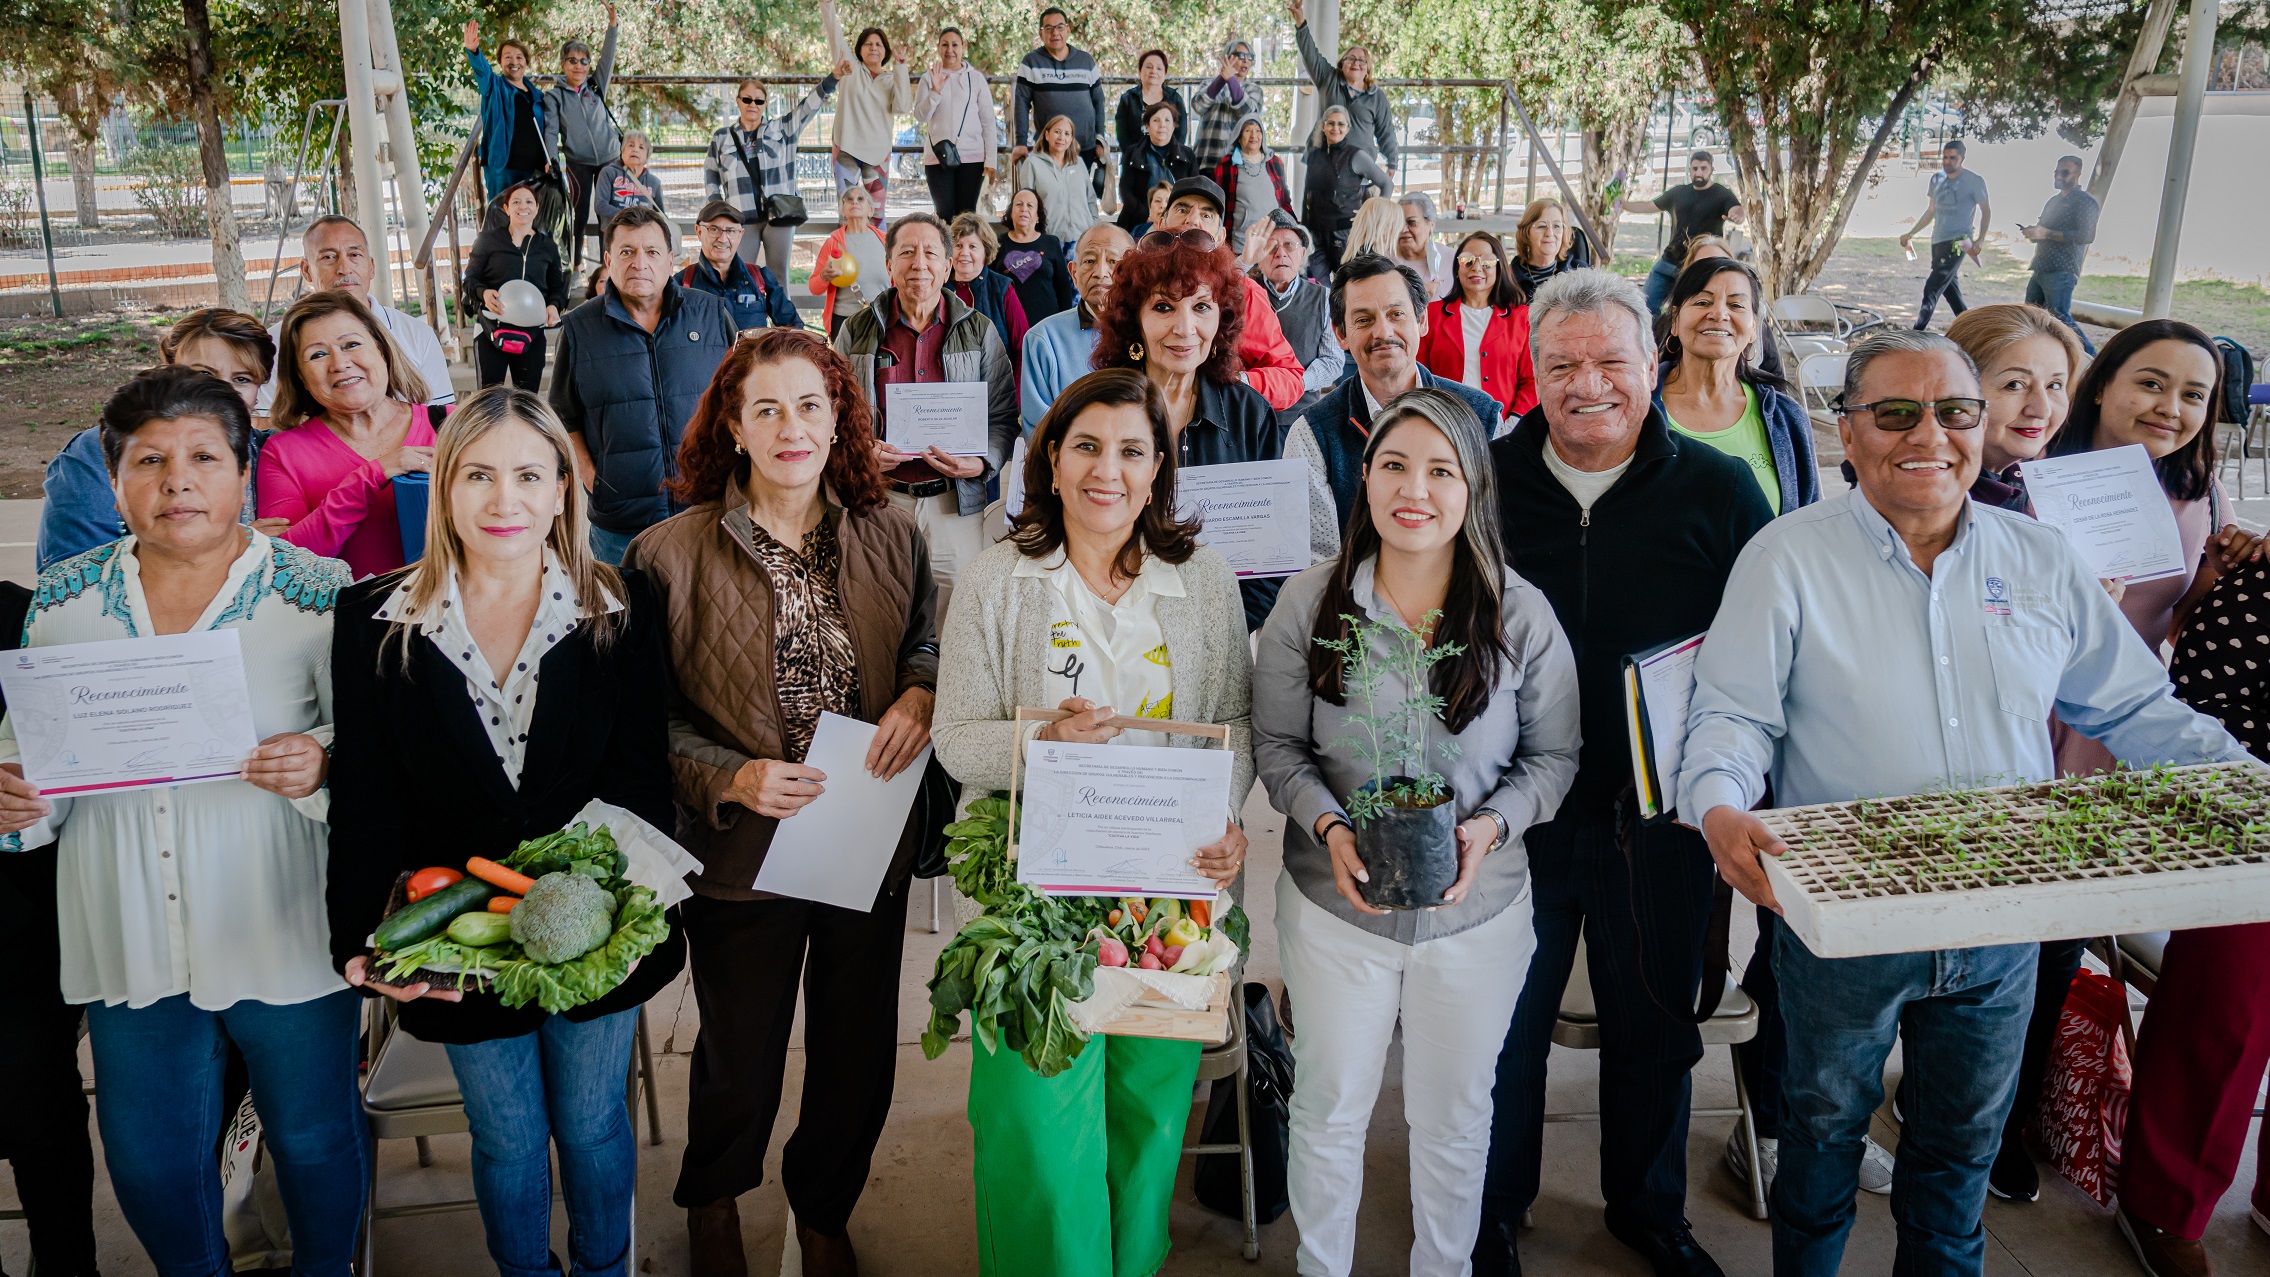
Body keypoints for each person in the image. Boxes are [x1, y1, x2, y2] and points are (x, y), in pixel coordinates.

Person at [1679, 327, 2253, 1277]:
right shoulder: (1787, 557)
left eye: (1953, 411)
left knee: (1957, 1161)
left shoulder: (2042, 558)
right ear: (1848, 431)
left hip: (2002, 922)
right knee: (1819, 1140)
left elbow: (2134, 708)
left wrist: (2247, 783)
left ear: (1981, 425)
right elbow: (1735, 716)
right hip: (1844, 924)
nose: (1928, 435)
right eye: (1895, 412)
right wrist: (1720, 804)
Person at [0, 366, 363, 1275]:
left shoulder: (315, 591)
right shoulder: (64, 600)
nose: (178, 481)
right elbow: (31, 755)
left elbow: (376, 745)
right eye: (149, 460)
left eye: (204, 456)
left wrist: (321, 757)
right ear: (114, 479)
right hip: (130, 926)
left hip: (280, 917)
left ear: (244, 471)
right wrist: (17, 797)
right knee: (150, 1158)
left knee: (315, 1137)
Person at [327, 385, 684, 1277]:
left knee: (593, 1123)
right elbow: (367, 796)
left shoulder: (621, 605)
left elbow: (641, 777)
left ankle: (603, 1267)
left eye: (529, 475)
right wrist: (360, 935)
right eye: (479, 475)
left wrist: (621, 914)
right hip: (460, 934)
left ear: (563, 489)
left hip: (593, 921)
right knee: (508, 1134)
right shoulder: (374, 622)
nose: (504, 499)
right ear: (444, 487)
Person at [623, 328, 940, 1277]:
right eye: (766, 408)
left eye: (809, 405)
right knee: (740, 1052)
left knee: (856, 1053)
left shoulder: (891, 533)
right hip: (742, 851)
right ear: (734, 424)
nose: (790, 427)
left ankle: (824, 1209)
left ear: (838, 416)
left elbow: (925, 641)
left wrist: (920, 692)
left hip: (865, 834)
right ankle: (715, 1198)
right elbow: (645, 722)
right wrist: (732, 776)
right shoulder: (666, 554)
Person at [1477, 268, 1773, 1277]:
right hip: (1515, 811)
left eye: (1611, 360)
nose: (1587, 383)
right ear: (1532, 371)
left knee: (1655, 1025)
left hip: (1658, 818)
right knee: (1505, 1026)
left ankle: (1648, 1211)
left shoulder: (1718, 489)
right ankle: (1492, 1210)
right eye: (1562, 364)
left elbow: (1760, 654)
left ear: (1653, 362)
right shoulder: (1482, 479)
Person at [931, 367, 1253, 1277]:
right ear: (1051, 461)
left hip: (1165, 897)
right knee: (1037, 1125)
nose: (1107, 470)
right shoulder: (998, 580)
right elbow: (954, 736)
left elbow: (1234, 727)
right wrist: (1040, 744)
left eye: (1131, 451)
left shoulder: (1205, 582)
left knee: (1147, 1127)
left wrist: (1226, 818)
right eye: (1086, 447)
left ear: (1158, 472)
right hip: (1030, 897)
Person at [1255, 388, 1578, 1276]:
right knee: (1330, 1105)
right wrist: (1328, 824)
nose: (1415, 490)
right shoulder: (1310, 602)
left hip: (1478, 916)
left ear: (1474, 487)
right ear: (1365, 477)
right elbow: (1277, 746)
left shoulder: (1519, 613)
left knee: (1454, 1116)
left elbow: (1555, 757)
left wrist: (1492, 826)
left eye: (1442, 471)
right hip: (1335, 908)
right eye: (1394, 465)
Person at [1928, 302, 2091, 1210]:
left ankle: (1984, 1129)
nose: (2039, 405)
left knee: (2023, 962)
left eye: (2056, 385)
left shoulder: (2052, 498)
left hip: (2045, 771)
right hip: (1931, 784)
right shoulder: (1920, 497)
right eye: (2015, 382)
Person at [2119, 564, 2270, 1277]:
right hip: (2250, 827)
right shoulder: (2256, 591)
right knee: (2227, 1013)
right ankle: (2162, 1200)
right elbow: (2199, 714)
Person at [2042, 317, 2255, 780]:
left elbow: (2183, 632)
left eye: (2193, 395)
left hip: (2130, 726)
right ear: (2100, 386)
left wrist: (2228, 581)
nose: (2170, 408)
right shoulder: (2025, 479)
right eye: (2151, 384)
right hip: (2025, 712)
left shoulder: (2202, 495)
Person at [1093, 226, 1336, 628]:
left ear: (1221, 318)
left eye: (1202, 307)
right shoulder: (1097, 409)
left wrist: (1226, 629)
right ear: (1134, 319)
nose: (1185, 328)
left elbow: (1272, 561)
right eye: (1164, 307)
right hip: (1117, 620)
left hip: (1227, 621)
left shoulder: (1249, 414)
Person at [835, 212, 1018, 614]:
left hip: (954, 505)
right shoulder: (855, 331)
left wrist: (982, 461)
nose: (919, 263)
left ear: (947, 266)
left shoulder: (979, 330)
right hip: (880, 500)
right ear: (889, 265)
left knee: (957, 615)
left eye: (931, 253)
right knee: (880, 611)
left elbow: (1003, 415)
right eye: (907, 252)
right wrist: (859, 451)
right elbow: (833, 414)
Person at [551, 206, 738, 565]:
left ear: (670, 260)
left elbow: (744, 398)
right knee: (624, 604)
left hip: (707, 510)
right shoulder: (579, 329)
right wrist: (594, 480)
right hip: (621, 524)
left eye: (652, 252)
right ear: (609, 261)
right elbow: (563, 418)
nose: (640, 263)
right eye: (627, 252)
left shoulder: (711, 315)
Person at [0, 555, 91, 1277]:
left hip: (16, 924)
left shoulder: (31, 617)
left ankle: (68, 1266)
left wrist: (28, 790)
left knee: (37, 1104)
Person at [40, 306, 283, 568]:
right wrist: (232, 550)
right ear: (169, 369)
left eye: (242, 379)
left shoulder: (276, 452)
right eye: (203, 374)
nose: (222, 390)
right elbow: (72, 574)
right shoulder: (94, 451)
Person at [1287, 253, 1502, 529]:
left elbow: (1496, 527)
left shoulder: (1481, 417)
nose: (1383, 332)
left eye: (1396, 314)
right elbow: (1319, 551)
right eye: (1364, 320)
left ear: (1421, 321)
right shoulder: (1312, 434)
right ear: (1341, 335)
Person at [259, 289, 440, 577]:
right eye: (318, 354)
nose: (339, 364)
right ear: (301, 377)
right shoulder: (282, 453)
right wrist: (370, 477)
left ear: (381, 350)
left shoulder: (451, 424)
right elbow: (286, 567)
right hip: (350, 607)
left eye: (351, 344)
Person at [1653, 257, 1817, 514]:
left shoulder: (1785, 419)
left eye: (1736, 305)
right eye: (1702, 302)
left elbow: (1809, 521)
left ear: (1753, 328)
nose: (1718, 314)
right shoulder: (1637, 409)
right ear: (1675, 320)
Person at [254, 214, 456, 415]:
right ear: (306, 270)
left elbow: (442, 420)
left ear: (371, 266)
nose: (344, 268)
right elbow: (272, 423)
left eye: (354, 255)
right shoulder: (275, 344)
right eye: (328, 257)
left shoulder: (418, 335)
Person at [1152, 175, 1308, 412]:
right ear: (1161, 223)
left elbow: (1290, 378)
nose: (1193, 220)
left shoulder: (1244, 294)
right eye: (1182, 209)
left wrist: (1235, 383)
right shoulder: (1138, 285)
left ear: (1220, 236)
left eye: (1206, 215)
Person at [705, 69, 844, 282]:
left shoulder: (782, 129)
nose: (752, 105)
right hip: (741, 218)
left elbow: (808, 107)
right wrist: (718, 211)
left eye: (759, 101)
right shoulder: (722, 137)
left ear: (765, 104)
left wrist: (833, 78)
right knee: (739, 276)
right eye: (747, 99)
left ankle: (780, 307)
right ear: (738, 101)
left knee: (778, 276)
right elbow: (711, 175)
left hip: (780, 216)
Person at [1948, 301, 2084, 515]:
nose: (2042, 410)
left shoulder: (2050, 483)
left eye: (2054, 385)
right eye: (2014, 385)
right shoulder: (1936, 503)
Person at [1021, 221, 1133, 432]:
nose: (1100, 272)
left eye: (1113, 261)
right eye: (1089, 261)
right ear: (1074, 273)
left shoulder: (1149, 332)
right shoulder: (1043, 339)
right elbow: (1037, 428)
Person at [1416, 230, 1537, 421]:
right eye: (1468, 260)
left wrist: (1513, 423)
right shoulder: (1431, 315)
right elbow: (1418, 374)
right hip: (1445, 423)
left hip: (1504, 425)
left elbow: (1531, 380)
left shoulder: (1522, 318)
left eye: (1487, 262)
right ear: (1457, 268)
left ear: (1499, 268)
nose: (1477, 267)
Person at [462, 182, 568, 391]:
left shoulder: (548, 247)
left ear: (537, 208)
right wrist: (484, 294)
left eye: (529, 202)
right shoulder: (488, 240)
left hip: (532, 332)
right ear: (506, 208)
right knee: (490, 399)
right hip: (492, 327)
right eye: (516, 202)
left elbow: (557, 288)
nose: (523, 206)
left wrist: (553, 305)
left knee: (527, 398)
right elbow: (470, 279)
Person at [542, 5, 620, 272]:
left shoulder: (597, 85)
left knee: (607, 214)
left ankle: (609, 268)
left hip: (609, 159)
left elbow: (608, 56)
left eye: (584, 61)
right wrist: (552, 159)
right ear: (563, 64)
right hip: (579, 163)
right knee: (578, 214)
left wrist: (613, 25)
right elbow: (550, 131)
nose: (578, 65)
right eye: (572, 60)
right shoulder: (554, 97)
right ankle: (575, 267)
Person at [1620, 150, 1745, 318]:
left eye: (1703, 168)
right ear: (1690, 170)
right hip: (1668, 263)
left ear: (1711, 169)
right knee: (1645, 308)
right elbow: (1649, 206)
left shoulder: (1721, 194)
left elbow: (1736, 209)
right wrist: (1624, 205)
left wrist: (1737, 216)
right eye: (1695, 168)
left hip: (1697, 268)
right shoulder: (1678, 193)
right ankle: (1653, 335)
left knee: (1685, 314)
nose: (1698, 173)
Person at [1245, 210, 1344, 420]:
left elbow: (1333, 361)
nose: (1280, 253)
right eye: (1271, 247)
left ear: (1302, 254)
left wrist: (1294, 384)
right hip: (1251, 414)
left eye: (1289, 245)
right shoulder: (1244, 293)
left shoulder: (1323, 297)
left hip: (1302, 416)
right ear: (1258, 258)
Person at [822, 5, 912, 220]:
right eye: (868, 44)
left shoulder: (891, 80)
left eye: (878, 44)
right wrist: (826, 4)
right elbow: (834, 33)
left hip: (877, 155)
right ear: (859, 50)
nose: (873, 48)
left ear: (886, 51)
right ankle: (846, 245)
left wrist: (901, 68)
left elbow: (903, 107)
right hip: (846, 150)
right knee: (847, 214)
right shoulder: (849, 69)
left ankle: (877, 245)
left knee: (877, 215)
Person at [1288, 0, 1397, 164]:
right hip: (1324, 161)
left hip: (1359, 167)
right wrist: (1300, 22)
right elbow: (1310, 53)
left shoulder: (1377, 97)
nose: (1355, 63)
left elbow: (1386, 131)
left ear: (1368, 69)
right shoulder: (1328, 78)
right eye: (1350, 59)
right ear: (1342, 64)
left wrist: (1392, 161)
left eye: (1361, 60)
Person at [1899, 139, 1991, 330]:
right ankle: (1972, 330)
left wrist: (1980, 239)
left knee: (1932, 287)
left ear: (1962, 158)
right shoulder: (1936, 179)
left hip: (1959, 241)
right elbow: (1931, 211)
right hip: (1938, 240)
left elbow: (1986, 211)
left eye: (1952, 158)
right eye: (1945, 157)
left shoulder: (1974, 181)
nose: (1947, 161)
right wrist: (1911, 233)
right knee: (1950, 290)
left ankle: (1917, 332)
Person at [1010, 9, 1107, 182]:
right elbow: (1021, 104)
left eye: (1060, 27)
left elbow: (1098, 101)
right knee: (1050, 194)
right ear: (1041, 33)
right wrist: (1020, 142)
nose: (1055, 33)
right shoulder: (1031, 62)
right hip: (1048, 149)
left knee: (1079, 195)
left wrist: (1100, 139)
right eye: (1049, 28)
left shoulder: (1086, 61)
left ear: (1068, 30)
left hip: (1084, 147)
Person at [463, 20, 556, 201]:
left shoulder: (537, 96)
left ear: (526, 62)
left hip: (533, 171)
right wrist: (473, 51)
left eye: (519, 57)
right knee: (501, 213)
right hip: (502, 170)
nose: (514, 62)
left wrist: (548, 160)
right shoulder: (494, 87)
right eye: (508, 57)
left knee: (530, 214)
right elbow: (483, 72)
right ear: (500, 61)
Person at [2019, 154, 2100, 354]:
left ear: (2078, 174)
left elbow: (2086, 235)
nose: (2059, 176)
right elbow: (2043, 230)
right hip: (2041, 265)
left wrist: (2046, 233)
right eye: (2057, 172)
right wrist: (2034, 233)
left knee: (2059, 316)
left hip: (2063, 268)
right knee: (2031, 315)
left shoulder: (2085, 202)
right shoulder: (2053, 201)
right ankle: (2038, 354)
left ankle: (2094, 358)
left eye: (2065, 172)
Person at [681, 199, 802, 332]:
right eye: (714, 229)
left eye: (731, 231)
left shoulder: (760, 278)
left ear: (740, 235)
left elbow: (794, 329)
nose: (722, 239)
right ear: (698, 231)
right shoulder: (682, 283)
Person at [915, 26, 997, 219]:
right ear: (938, 48)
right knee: (944, 213)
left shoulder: (976, 79)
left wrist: (991, 160)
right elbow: (920, 115)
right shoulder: (928, 78)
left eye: (955, 45)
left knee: (966, 215)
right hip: (938, 156)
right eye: (945, 45)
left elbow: (988, 121)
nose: (950, 50)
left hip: (972, 157)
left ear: (963, 47)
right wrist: (935, 92)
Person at [1302, 107, 1391, 277]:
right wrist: (1304, 229)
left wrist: (1373, 214)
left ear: (1348, 128)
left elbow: (1386, 184)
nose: (1335, 128)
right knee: (1318, 284)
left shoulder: (1356, 156)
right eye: (1331, 123)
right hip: (1316, 233)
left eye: (1341, 124)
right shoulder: (1313, 155)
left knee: (1348, 282)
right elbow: (1307, 195)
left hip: (1344, 234)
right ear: (1323, 126)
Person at [948, 212, 1030, 369]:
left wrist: (1014, 385)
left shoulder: (1002, 288)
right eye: (958, 245)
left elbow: (1022, 348)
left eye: (972, 246)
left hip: (996, 380)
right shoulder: (938, 288)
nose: (964, 252)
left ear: (985, 252)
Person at [809, 185, 887, 337]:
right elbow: (814, 288)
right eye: (849, 199)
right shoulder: (832, 243)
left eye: (860, 199)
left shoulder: (886, 240)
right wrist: (824, 277)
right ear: (843, 211)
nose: (854, 202)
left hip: (883, 317)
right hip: (844, 322)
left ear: (870, 210)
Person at [995, 187, 1077, 325]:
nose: (1024, 209)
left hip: (1048, 324)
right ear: (1011, 212)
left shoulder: (1051, 242)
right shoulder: (997, 243)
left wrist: (1066, 323)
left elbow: (1063, 288)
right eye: (1019, 204)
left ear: (1038, 215)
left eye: (1030, 205)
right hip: (1009, 324)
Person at [1017, 114, 1103, 244]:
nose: (1062, 138)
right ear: (1047, 135)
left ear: (1071, 138)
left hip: (1081, 238)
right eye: (1057, 132)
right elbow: (1025, 204)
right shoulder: (1032, 164)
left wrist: (1094, 226)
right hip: (1049, 239)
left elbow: (1090, 199)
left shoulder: (1079, 163)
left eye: (1067, 134)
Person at [1212, 117, 1293, 254]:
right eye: (1248, 130)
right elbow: (1217, 207)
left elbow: (1285, 199)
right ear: (1238, 137)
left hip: (1273, 242)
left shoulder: (1274, 163)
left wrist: (1292, 227)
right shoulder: (1226, 166)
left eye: (1258, 131)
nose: (1254, 136)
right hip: (1241, 244)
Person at [1118, 101, 1197, 231]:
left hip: (1178, 223)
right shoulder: (1133, 153)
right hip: (1140, 221)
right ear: (1147, 126)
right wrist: (1147, 215)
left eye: (1167, 120)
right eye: (1156, 120)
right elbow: (1125, 191)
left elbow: (1193, 192)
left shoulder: (1187, 155)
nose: (1162, 125)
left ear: (1174, 126)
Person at [1191, 39, 1261, 167]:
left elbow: (1248, 115)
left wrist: (1231, 80)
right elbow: (1198, 106)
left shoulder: (1254, 90)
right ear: (1227, 58)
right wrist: (1221, 79)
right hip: (1206, 159)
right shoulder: (1209, 84)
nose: (1246, 60)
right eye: (1241, 56)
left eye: (1250, 57)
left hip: (1238, 164)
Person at [1114, 49, 1188, 160]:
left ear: (1164, 74)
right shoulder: (1128, 99)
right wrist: (1135, 157)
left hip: (1168, 161)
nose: (1153, 71)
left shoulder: (1175, 99)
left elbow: (1181, 132)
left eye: (1159, 68)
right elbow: (1122, 135)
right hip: (1135, 161)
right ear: (1140, 71)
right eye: (1149, 67)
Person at [1511, 197, 1593, 295]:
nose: (1549, 233)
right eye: (1542, 226)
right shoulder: (1507, 277)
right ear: (1526, 232)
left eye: (1556, 226)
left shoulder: (1582, 273)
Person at [594, 130, 667, 223]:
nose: (635, 150)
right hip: (615, 229)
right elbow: (600, 206)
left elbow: (660, 215)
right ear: (622, 151)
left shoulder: (654, 182)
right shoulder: (608, 173)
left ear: (647, 157)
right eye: (631, 145)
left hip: (642, 230)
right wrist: (631, 217)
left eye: (641, 147)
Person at [1396, 194, 1456, 301]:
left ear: (1431, 224)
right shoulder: (1385, 260)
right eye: (1399, 223)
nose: (1403, 229)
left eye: (1411, 223)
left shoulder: (1451, 259)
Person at [1346, 194, 1406, 261]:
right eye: (1397, 224)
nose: (1403, 230)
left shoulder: (1355, 256)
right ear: (1383, 227)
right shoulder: (1375, 263)